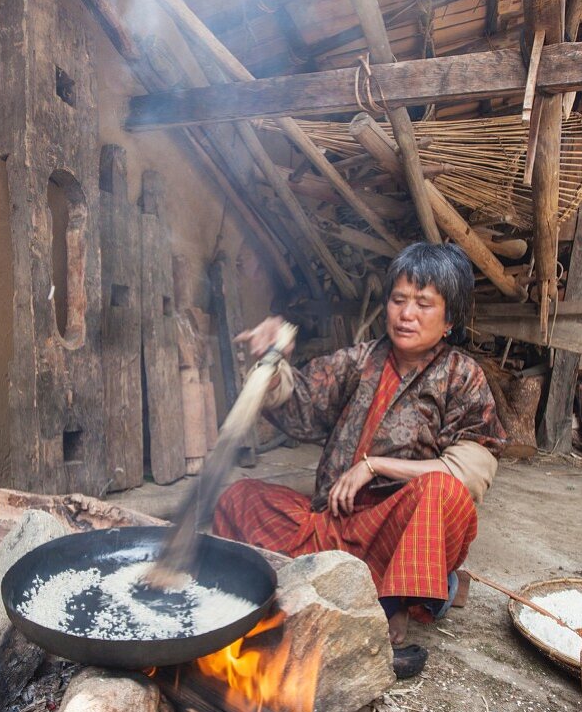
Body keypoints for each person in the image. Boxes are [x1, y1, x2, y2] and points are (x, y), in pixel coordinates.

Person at [212, 242, 506, 676]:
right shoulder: (361, 360)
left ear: (449, 321)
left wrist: (375, 465)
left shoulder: (461, 376)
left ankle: (390, 607)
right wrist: (273, 363)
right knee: (240, 497)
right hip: (333, 523)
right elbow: (301, 404)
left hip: (395, 535)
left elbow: (471, 471)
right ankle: (335, 584)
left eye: (424, 304)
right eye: (398, 299)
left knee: (442, 492)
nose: (406, 314)